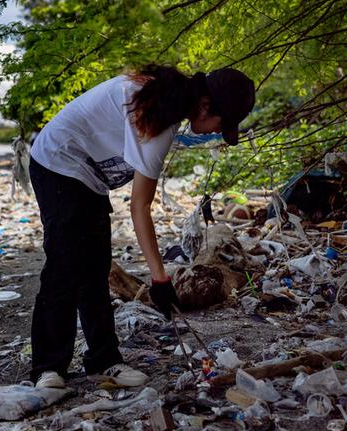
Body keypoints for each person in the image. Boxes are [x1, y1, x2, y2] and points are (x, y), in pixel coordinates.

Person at [28, 65, 255, 388]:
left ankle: (104, 360)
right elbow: (139, 207)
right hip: (57, 161)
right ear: (206, 105)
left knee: (95, 267)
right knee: (65, 265)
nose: (217, 132)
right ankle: (48, 368)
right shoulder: (155, 115)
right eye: (222, 123)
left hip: (89, 177)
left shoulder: (166, 103)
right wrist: (160, 280)